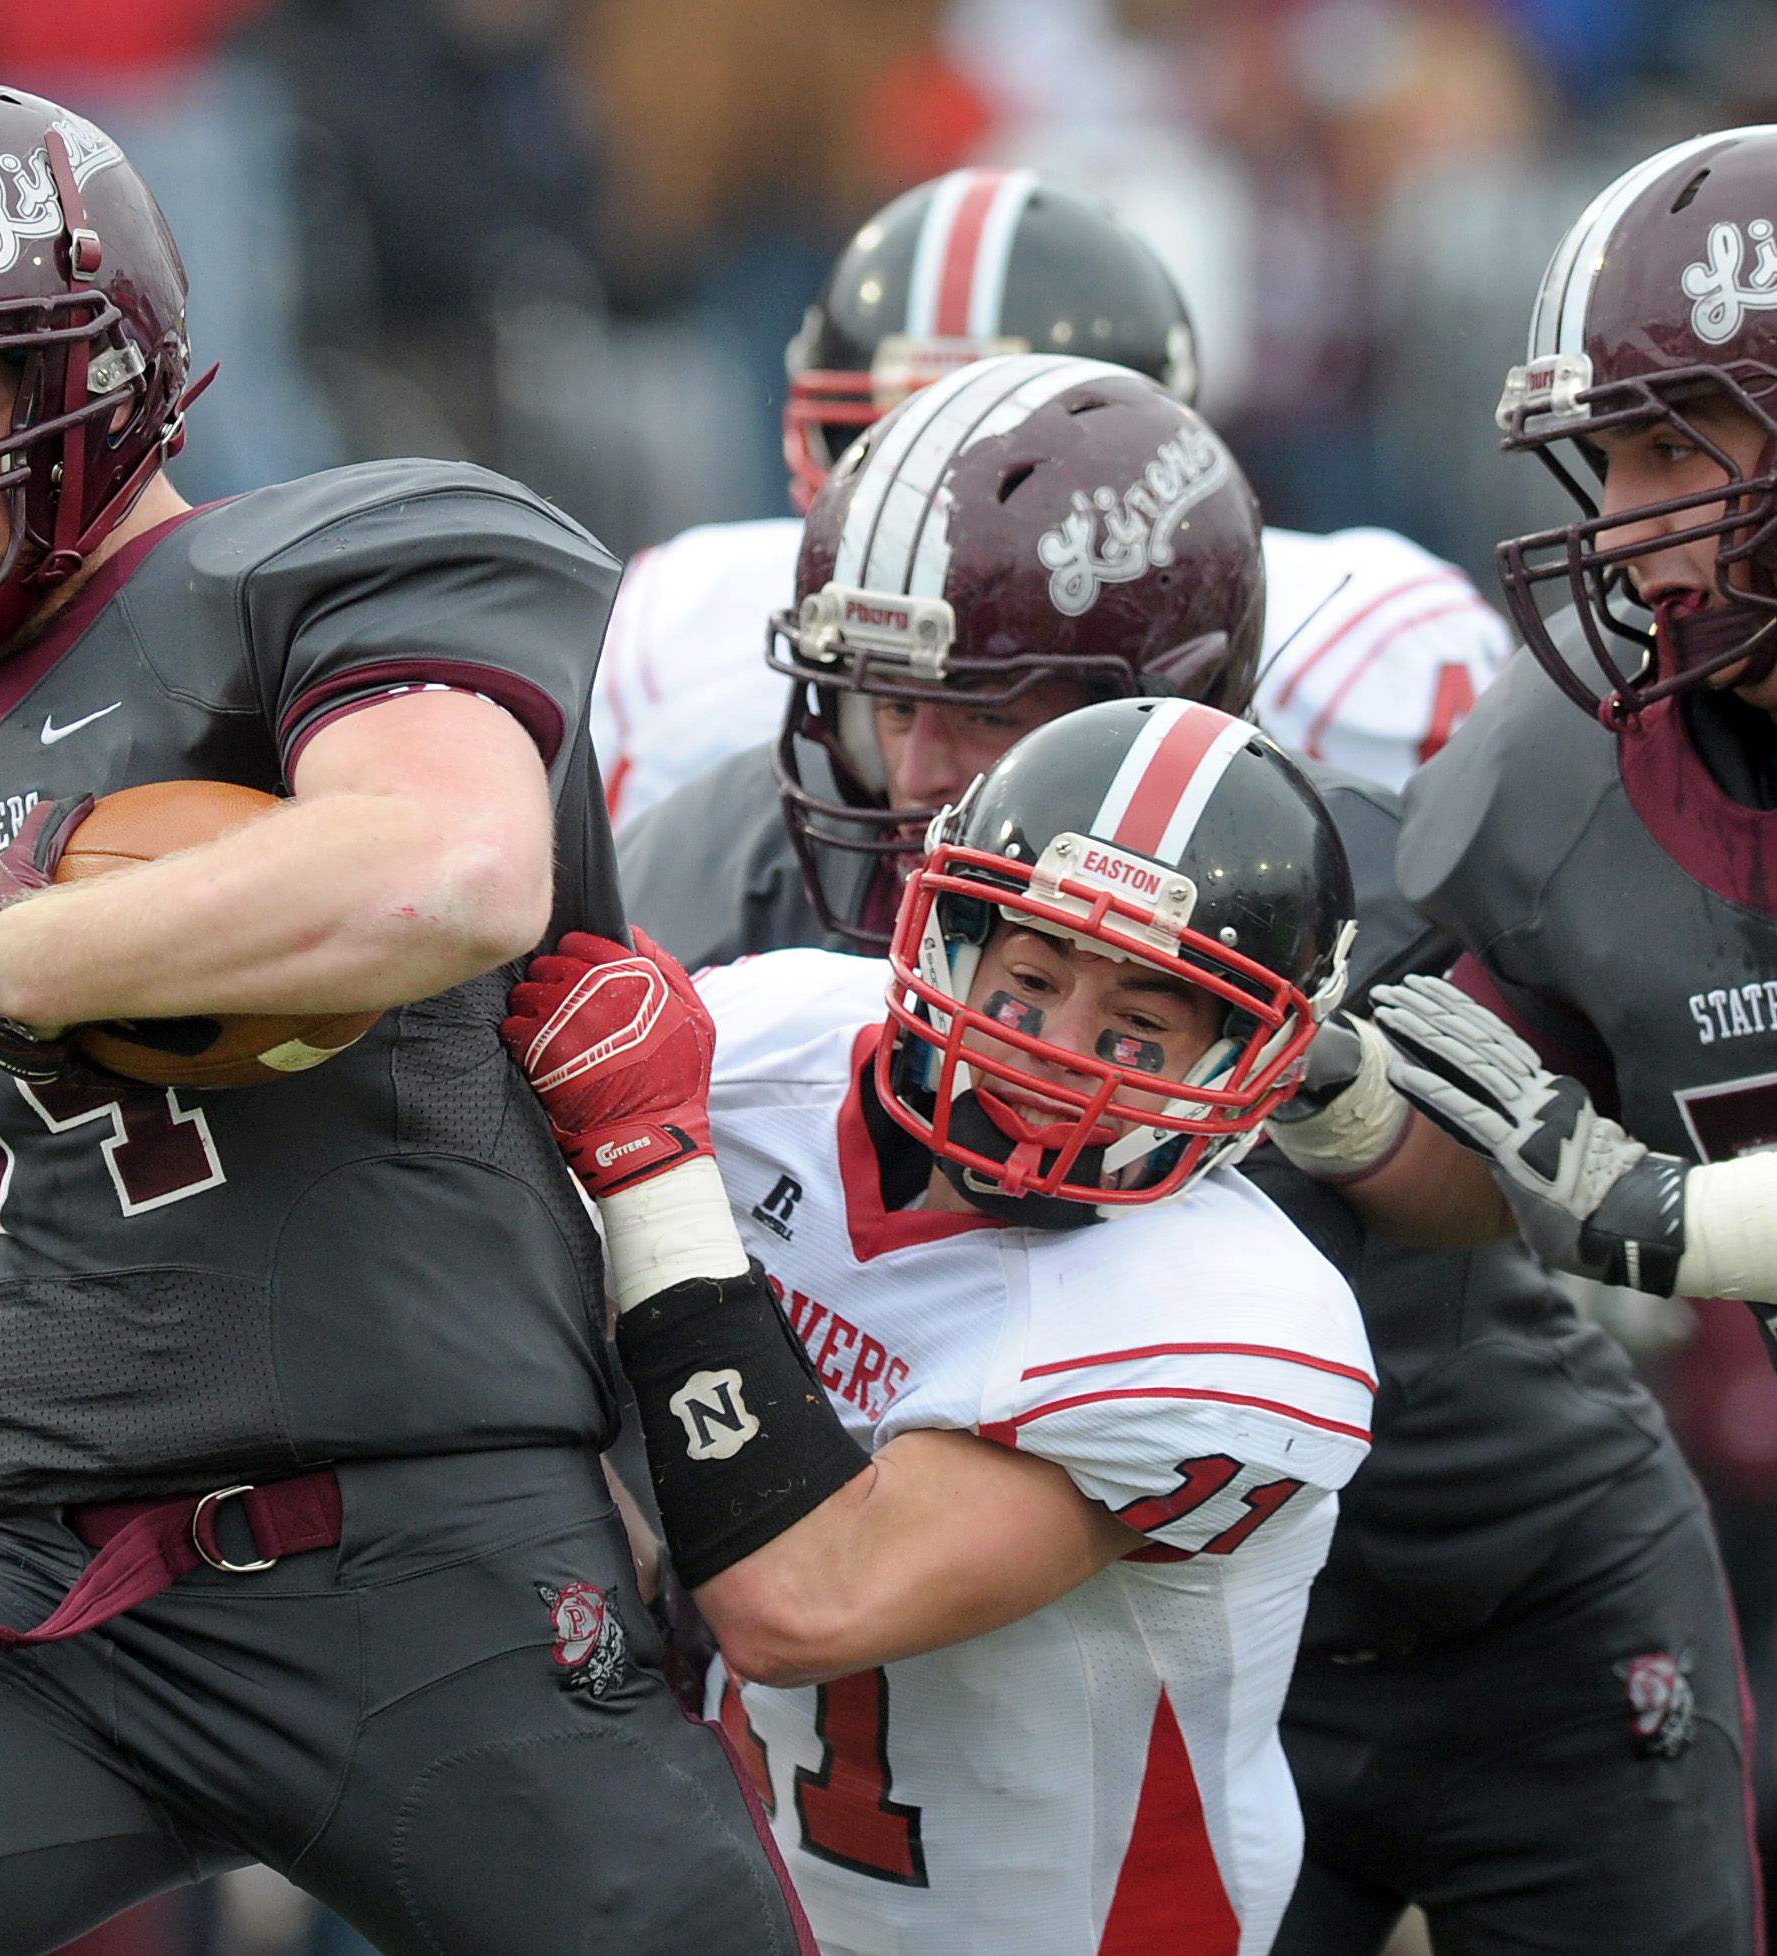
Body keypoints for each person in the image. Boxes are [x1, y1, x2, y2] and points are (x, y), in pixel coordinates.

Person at [0, 84, 814, 1956]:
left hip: (423, 1564)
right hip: (42, 1585)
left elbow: (445, 869)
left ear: (97, 367)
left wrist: (41, 959)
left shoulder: (330, 562)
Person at [622, 354, 1758, 1951]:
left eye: (982, 707)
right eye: (890, 701)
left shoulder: (1341, 891)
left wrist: (1368, 1111)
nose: (923, 772)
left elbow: (1538, 1192)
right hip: (1107, 1658)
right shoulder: (755, 906)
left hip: (1479, 1595)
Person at [503, 692, 1374, 1953]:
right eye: (1029, 978)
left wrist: (652, 1167)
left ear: (1243, 1061)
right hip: (743, 1896)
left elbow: (802, 1602)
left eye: (1137, 1023)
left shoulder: (1242, 1325)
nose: (1054, 1050)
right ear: (950, 938)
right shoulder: (770, 1047)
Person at [590, 167, 1510, 837]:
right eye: (888, 439)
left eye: (1014, 459)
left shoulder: (1361, 634)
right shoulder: (679, 613)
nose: (938, 493)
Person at [1382, 123, 1777, 1320]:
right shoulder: (1574, 767)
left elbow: (1625, 1206)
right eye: (1605, 462)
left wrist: (1674, 1222)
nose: (1615, 528)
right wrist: (1349, 1110)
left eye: (1669, 448)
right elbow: (1510, 1169)